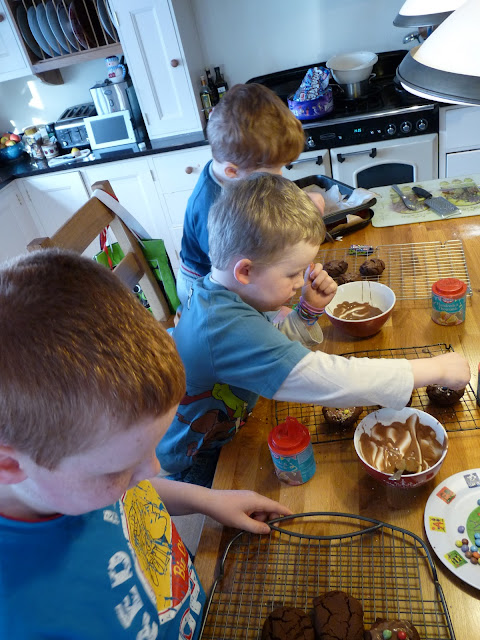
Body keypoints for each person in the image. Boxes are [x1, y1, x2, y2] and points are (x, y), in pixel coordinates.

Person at [0, 249, 291, 638]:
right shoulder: (23, 616)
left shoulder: (72, 476)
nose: (153, 469)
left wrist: (207, 500)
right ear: (8, 464)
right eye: (120, 468)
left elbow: (134, 494)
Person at [157, 173, 471, 486]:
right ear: (246, 270)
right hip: (195, 457)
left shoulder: (219, 291)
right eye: (292, 273)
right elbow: (332, 379)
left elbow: (267, 344)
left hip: (224, 428)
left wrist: (307, 310)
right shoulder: (223, 329)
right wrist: (435, 370)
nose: (299, 283)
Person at [177, 82, 325, 306]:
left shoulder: (233, 169)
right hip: (207, 289)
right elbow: (241, 278)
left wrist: (304, 205)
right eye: (271, 171)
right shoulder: (210, 206)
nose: (280, 176)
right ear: (232, 171)